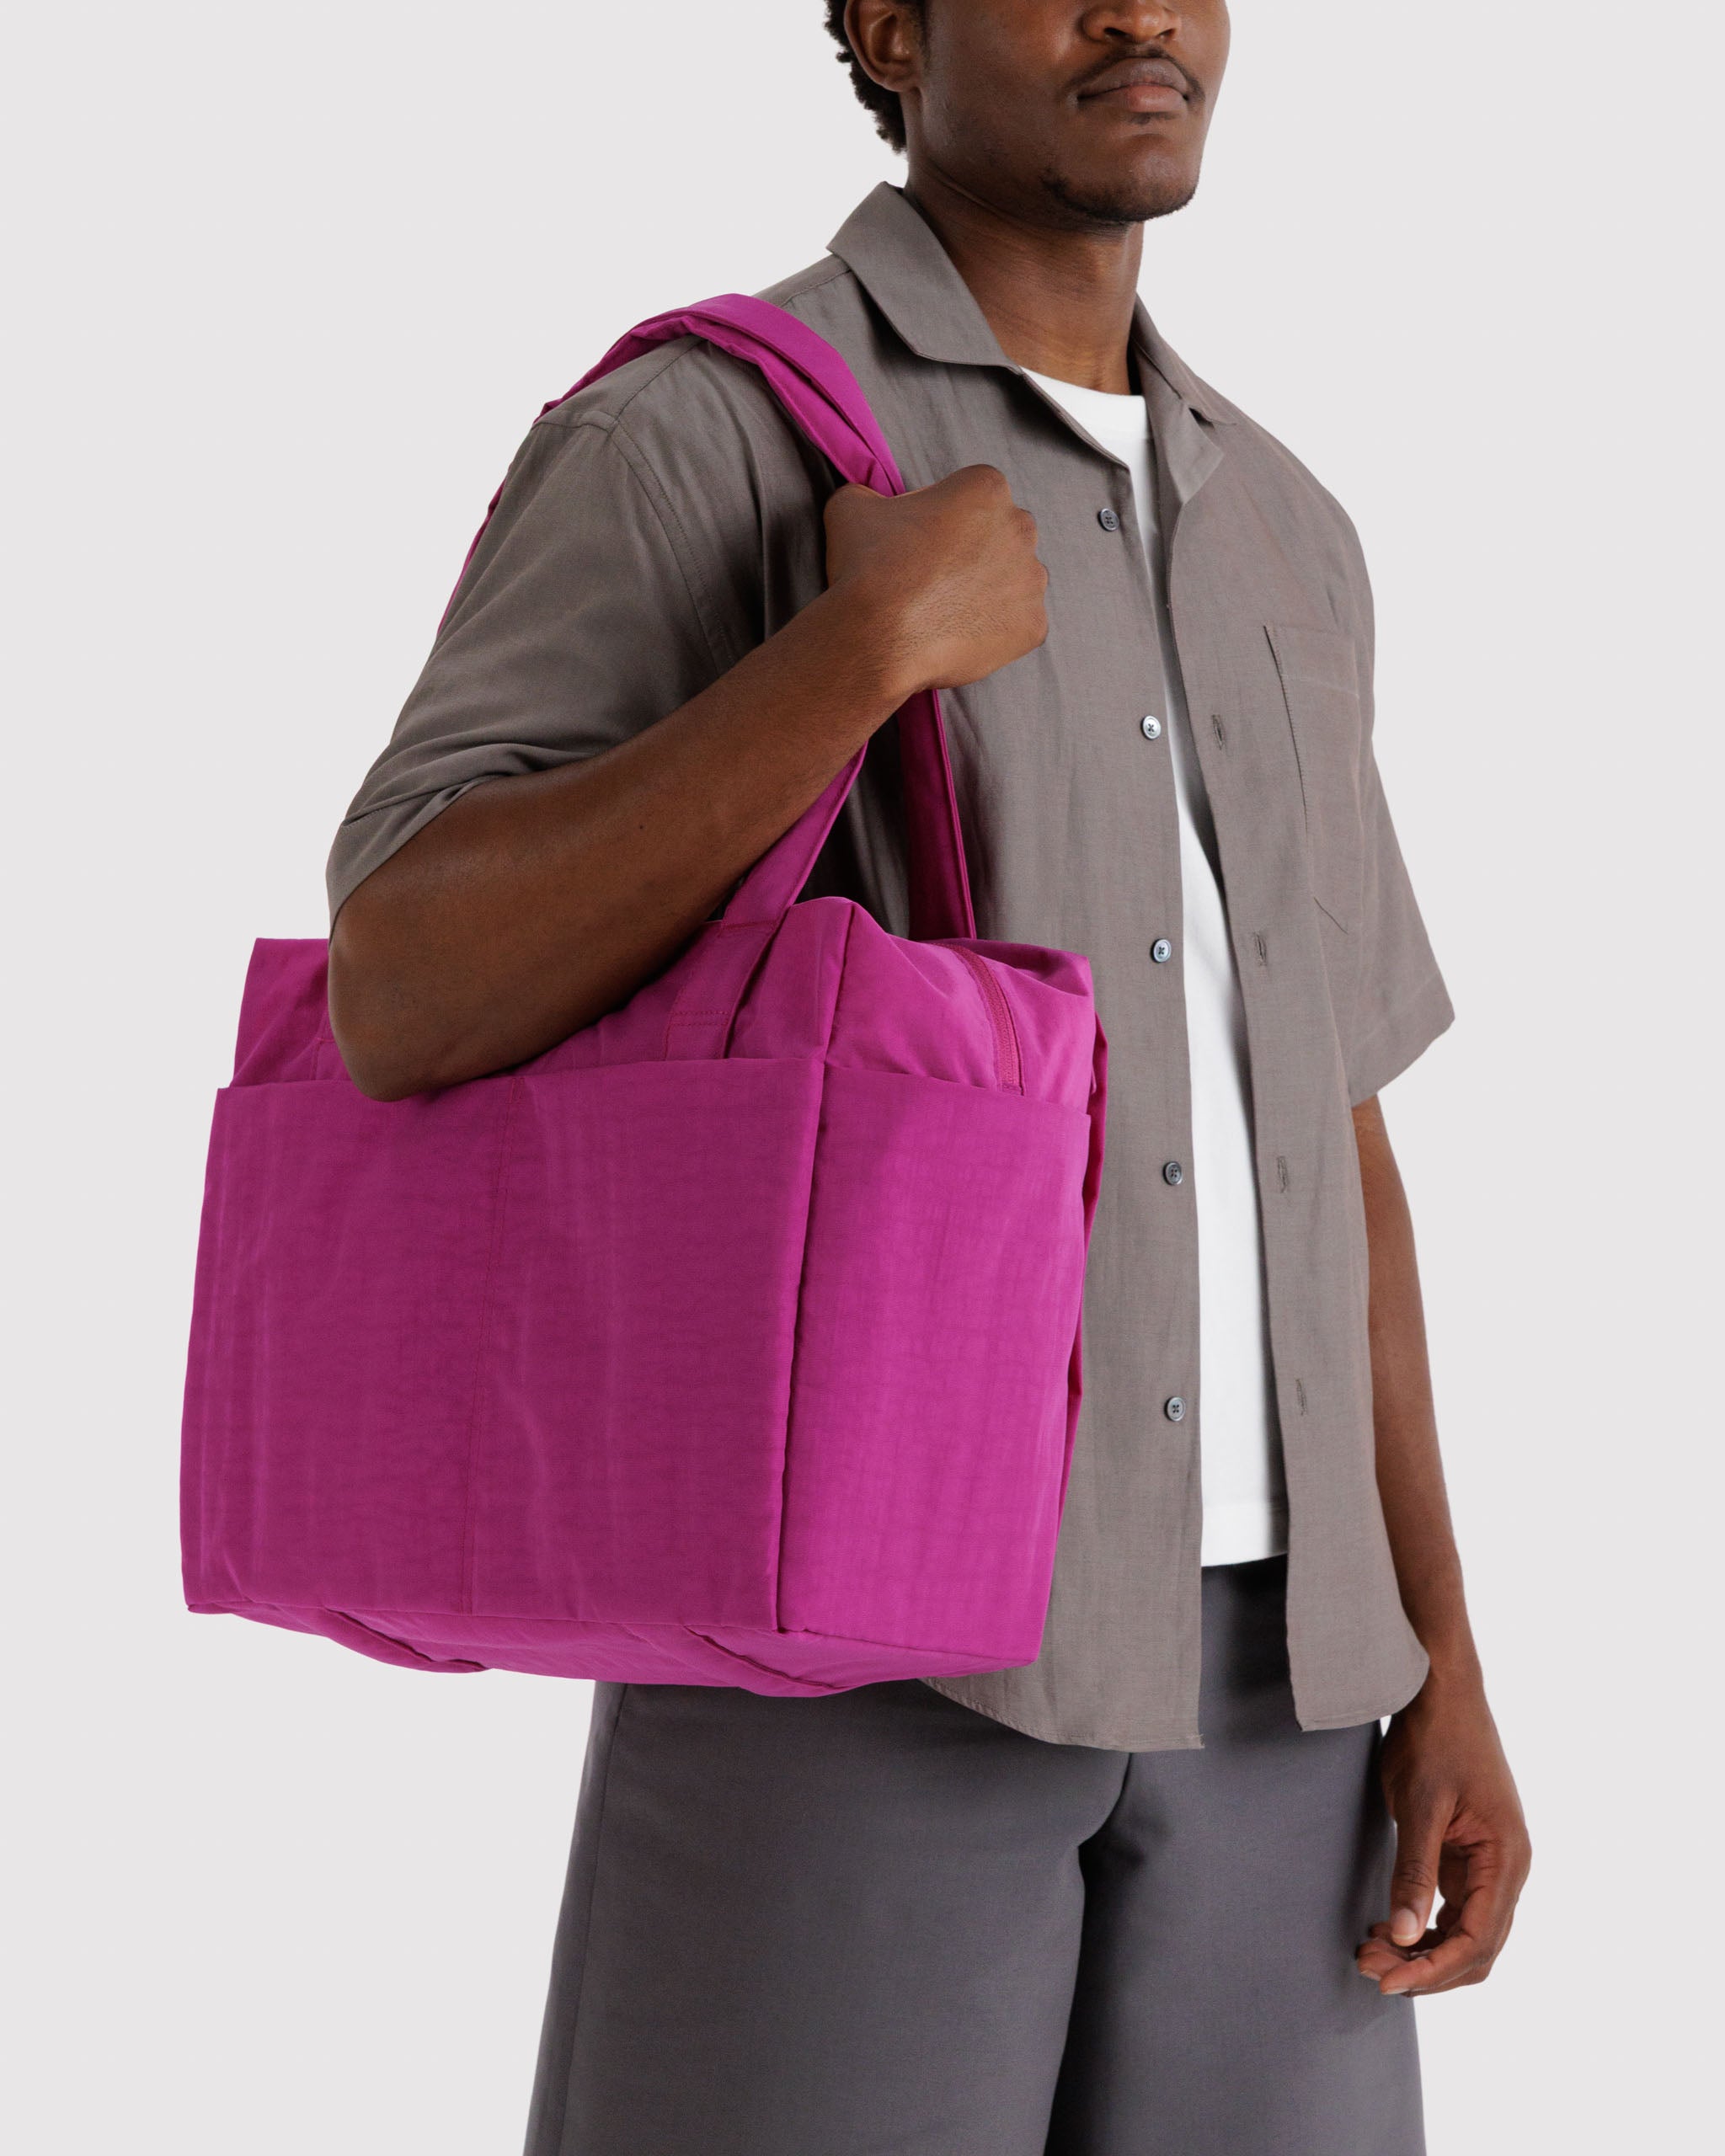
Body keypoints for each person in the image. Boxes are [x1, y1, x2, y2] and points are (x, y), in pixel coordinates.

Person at [324, 4, 1530, 2150]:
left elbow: (1332, 1134)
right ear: (888, 24)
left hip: (1286, 1703)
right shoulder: (705, 434)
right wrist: (853, 655)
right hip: (850, 1651)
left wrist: (1439, 1657)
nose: (1141, 11)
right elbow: (401, 976)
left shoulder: (1287, 528)